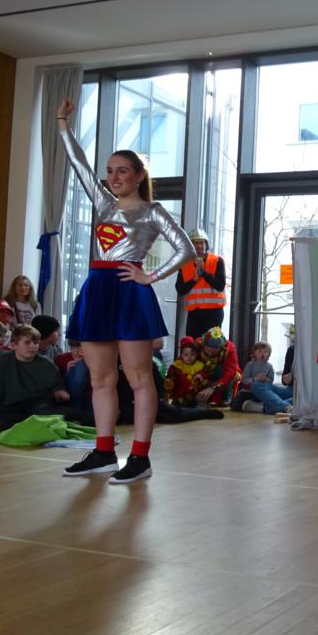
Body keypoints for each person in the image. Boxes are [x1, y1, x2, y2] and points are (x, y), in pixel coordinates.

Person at [56, 98, 196, 484]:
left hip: (130, 293)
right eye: (110, 171)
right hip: (98, 290)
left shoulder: (153, 212)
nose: (114, 177)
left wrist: (151, 276)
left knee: (138, 379)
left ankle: (139, 457)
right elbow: (78, 165)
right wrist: (63, 123)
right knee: (100, 379)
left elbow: (186, 249)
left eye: (122, 171)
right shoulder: (103, 204)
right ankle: (104, 451)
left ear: (138, 175)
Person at [0, 325, 87, 430]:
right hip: (13, 406)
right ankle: (42, 423)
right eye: (27, 343)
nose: (33, 346)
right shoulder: (3, 361)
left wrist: (60, 392)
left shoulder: (46, 363)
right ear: (14, 345)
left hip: (40, 404)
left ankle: (42, 423)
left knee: (46, 411)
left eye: (36, 343)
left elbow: (57, 384)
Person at [175, 228, 227, 338]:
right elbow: (180, 290)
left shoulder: (217, 261)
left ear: (206, 244)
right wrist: (194, 279)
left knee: (212, 344)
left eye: (201, 243)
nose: (199, 246)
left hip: (214, 312)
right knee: (192, 344)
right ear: (191, 245)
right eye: (196, 243)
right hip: (194, 314)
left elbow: (220, 285)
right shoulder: (184, 264)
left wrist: (203, 273)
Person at [194, 327, 241, 406]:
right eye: (208, 351)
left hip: (221, 377)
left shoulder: (229, 349)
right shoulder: (197, 345)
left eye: (214, 352)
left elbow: (230, 372)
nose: (210, 354)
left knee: (228, 372)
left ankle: (225, 397)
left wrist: (213, 388)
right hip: (204, 373)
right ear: (203, 345)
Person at [240, 342, 292, 415]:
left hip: (266, 386)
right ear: (254, 353)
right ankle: (286, 407)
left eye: (265, 352)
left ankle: (273, 407)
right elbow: (244, 380)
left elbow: (271, 380)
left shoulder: (269, 366)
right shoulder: (250, 364)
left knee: (294, 394)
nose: (262, 354)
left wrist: (266, 379)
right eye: (259, 351)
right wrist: (255, 379)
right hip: (254, 388)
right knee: (256, 385)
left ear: (269, 354)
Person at [164, 336, 205, 406]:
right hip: (179, 394)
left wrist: (201, 375)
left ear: (196, 355)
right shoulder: (177, 365)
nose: (189, 357)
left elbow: (205, 374)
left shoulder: (199, 365)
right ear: (181, 355)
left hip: (194, 395)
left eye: (192, 354)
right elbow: (170, 376)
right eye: (186, 355)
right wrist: (171, 381)